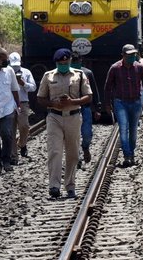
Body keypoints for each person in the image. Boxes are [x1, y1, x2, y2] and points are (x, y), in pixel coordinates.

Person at [37, 48, 92, 198]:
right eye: (60, 63)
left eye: (66, 62)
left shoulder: (79, 75)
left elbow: (88, 96)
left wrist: (72, 101)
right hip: (54, 117)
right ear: (56, 62)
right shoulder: (48, 76)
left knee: (73, 153)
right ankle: (54, 186)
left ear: (69, 62)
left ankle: (70, 186)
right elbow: (40, 98)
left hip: (74, 117)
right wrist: (53, 103)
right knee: (55, 151)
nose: (63, 64)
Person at [104, 44, 143, 167]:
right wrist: (107, 104)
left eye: (134, 54)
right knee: (123, 129)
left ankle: (131, 151)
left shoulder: (139, 68)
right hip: (120, 102)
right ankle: (127, 155)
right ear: (123, 55)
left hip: (135, 103)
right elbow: (108, 88)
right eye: (129, 55)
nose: (132, 57)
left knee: (133, 130)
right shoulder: (115, 68)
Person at [71, 52, 101, 166]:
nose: (75, 64)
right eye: (73, 62)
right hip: (71, 108)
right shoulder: (66, 74)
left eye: (77, 61)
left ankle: (85, 147)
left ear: (80, 61)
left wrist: (97, 108)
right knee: (74, 134)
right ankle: (76, 158)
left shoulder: (88, 73)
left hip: (85, 108)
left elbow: (94, 90)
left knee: (87, 134)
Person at [8, 52, 36, 164]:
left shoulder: (26, 72)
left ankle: (22, 144)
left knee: (24, 126)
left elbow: (33, 87)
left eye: (17, 65)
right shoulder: (5, 73)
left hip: (23, 103)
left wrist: (23, 83)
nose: (15, 68)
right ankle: (14, 157)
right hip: (9, 104)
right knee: (11, 131)